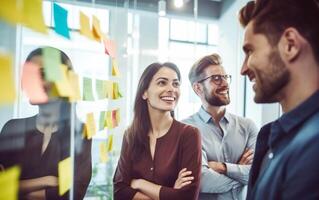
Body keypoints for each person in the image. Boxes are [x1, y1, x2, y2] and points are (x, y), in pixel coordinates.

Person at [238, 0, 319, 199]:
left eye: (250, 51)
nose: (243, 69)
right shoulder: (272, 136)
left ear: (290, 45)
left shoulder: (312, 147)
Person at [0, 47, 92, 200]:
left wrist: (19, 189)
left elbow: (74, 193)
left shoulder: (79, 132)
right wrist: (45, 181)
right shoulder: (12, 128)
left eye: (42, 74)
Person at [113, 62, 202, 200]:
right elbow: (119, 191)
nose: (171, 89)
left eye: (176, 84)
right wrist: (170, 193)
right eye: (162, 83)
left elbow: (187, 197)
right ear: (144, 93)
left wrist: (139, 183)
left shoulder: (189, 134)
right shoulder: (131, 135)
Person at [183, 53, 258, 200]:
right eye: (216, 79)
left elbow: (258, 172)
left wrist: (222, 167)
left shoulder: (248, 126)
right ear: (198, 88)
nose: (225, 84)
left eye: (225, 77)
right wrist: (241, 176)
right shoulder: (186, 129)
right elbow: (202, 180)